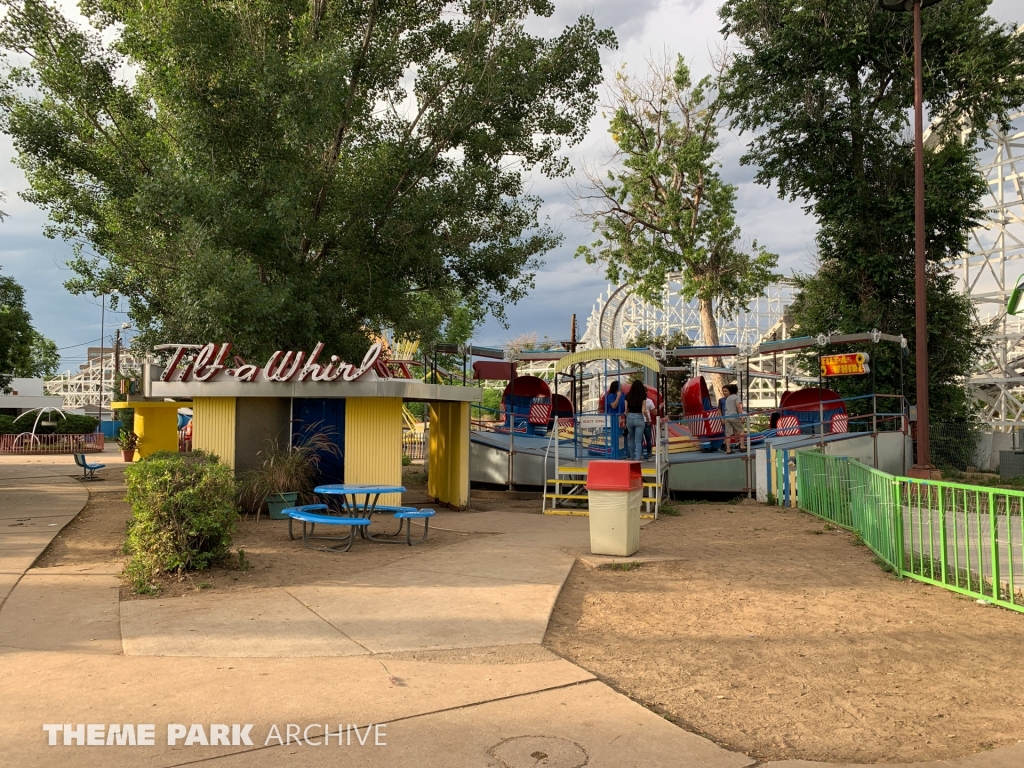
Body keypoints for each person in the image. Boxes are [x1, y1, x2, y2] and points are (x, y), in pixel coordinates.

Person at [624, 380, 647, 461]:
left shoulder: (628, 396)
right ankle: (637, 459)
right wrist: (647, 418)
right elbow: (644, 410)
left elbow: (625, 410)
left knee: (632, 439)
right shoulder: (643, 395)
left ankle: (632, 458)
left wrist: (629, 416)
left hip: (630, 417)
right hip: (639, 417)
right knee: (638, 441)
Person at [723, 383, 745, 454]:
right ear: (736, 390)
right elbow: (738, 406)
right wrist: (741, 416)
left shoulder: (727, 398)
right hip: (734, 416)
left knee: (728, 434)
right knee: (741, 431)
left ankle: (728, 449)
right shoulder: (737, 397)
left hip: (727, 416)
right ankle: (742, 446)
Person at [642, 392, 655, 459]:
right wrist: (660, 407)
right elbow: (654, 412)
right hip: (647, 421)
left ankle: (640, 455)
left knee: (639, 439)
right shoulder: (649, 401)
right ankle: (649, 454)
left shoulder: (637, 400)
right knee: (648, 439)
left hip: (639, 421)